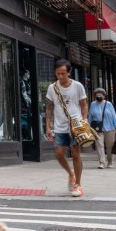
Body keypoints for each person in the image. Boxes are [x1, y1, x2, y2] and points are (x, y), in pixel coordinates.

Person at [45, 60, 88, 197]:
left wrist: (84, 119)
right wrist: (47, 126)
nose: (61, 76)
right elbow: (49, 107)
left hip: (75, 125)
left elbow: (83, 104)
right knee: (58, 153)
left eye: (63, 73)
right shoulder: (52, 88)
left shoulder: (77, 86)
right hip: (59, 126)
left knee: (76, 153)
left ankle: (78, 185)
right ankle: (71, 173)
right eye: (58, 73)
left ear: (68, 72)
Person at [88, 88, 116, 169]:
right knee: (99, 145)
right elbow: (90, 117)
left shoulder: (108, 104)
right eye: (97, 94)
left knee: (110, 146)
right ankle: (101, 162)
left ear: (104, 96)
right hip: (97, 129)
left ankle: (110, 161)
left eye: (100, 94)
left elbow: (114, 115)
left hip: (109, 128)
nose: (98, 96)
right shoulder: (92, 104)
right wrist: (88, 127)